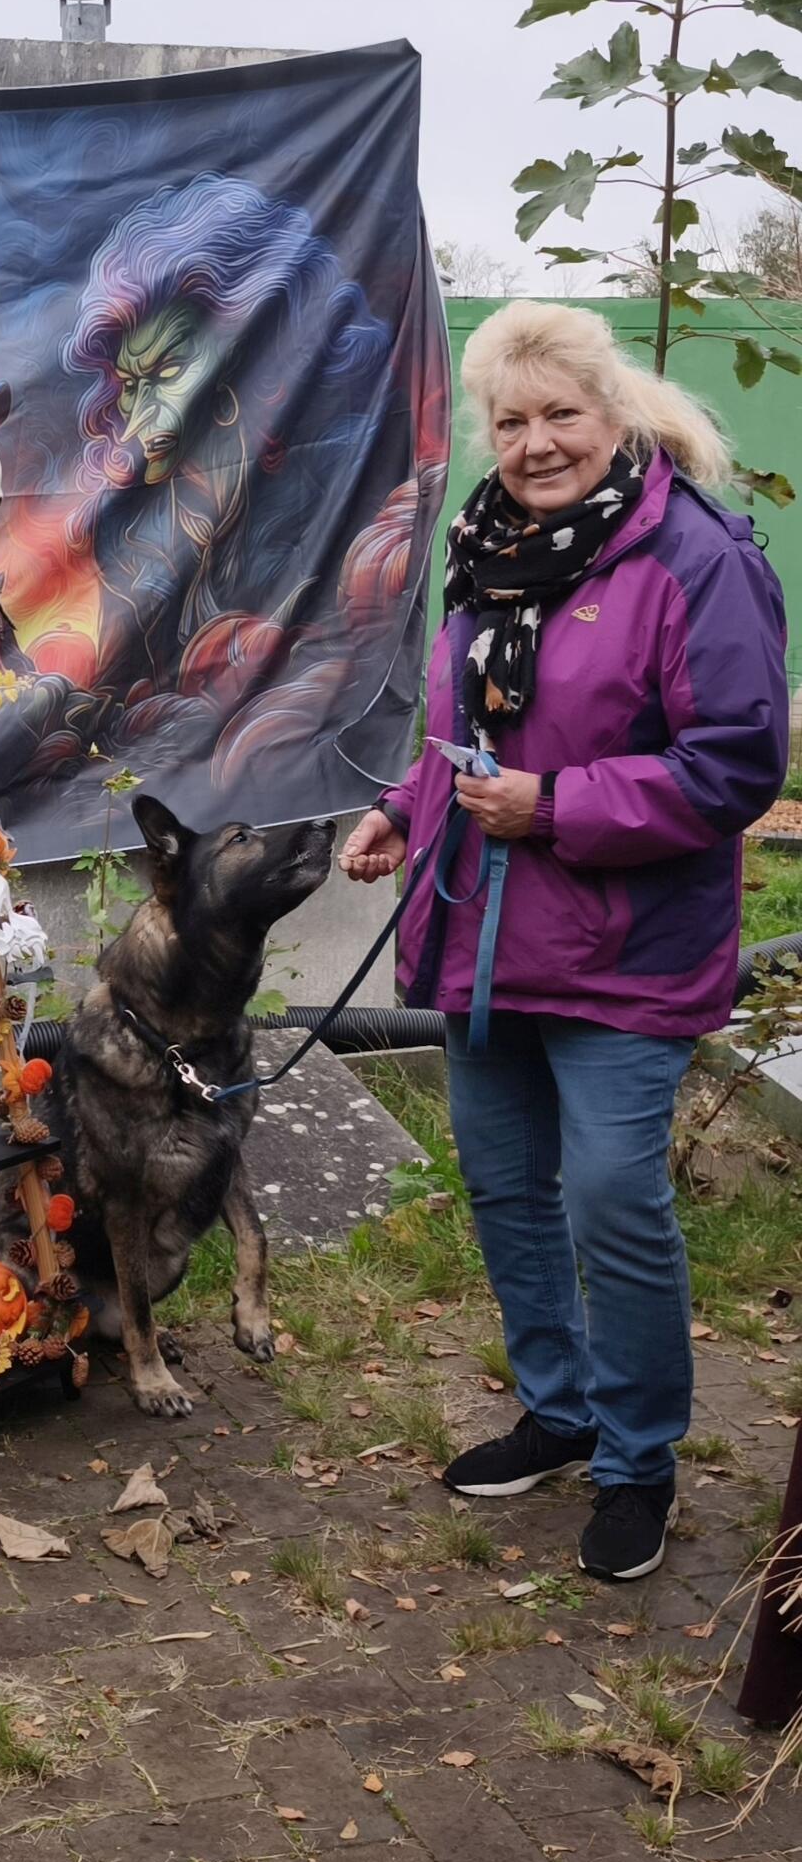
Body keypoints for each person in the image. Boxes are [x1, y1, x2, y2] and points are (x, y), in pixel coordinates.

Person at [341, 300, 787, 1583]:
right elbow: (470, 732)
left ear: (614, 413)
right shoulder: (485, 547)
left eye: (562, 416)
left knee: (612, 1200)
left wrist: (560, 808)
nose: (536, 444)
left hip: (625, 947)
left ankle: (639, 1460)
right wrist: (399, 811)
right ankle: (561, 1407)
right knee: (505, 1188)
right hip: (483, 933)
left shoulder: (696, 557)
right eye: (512, 421)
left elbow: (736, 763)